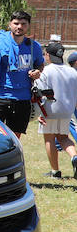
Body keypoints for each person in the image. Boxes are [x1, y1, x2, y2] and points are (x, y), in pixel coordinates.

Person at [0, 10, 48, 137]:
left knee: (15, 138)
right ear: (10, 24)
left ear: (28, 25)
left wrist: (38, 71)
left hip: (23, 98)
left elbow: (40, 64)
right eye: (16, 23)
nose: (19, 27)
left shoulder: (34, 46)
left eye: (23, 24)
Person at [36, 42, 77, 178]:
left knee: (49, 139)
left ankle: (55, 171)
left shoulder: (46, 71)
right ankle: (74, 157)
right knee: (64, 138)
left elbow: (40, 92)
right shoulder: (72, 71)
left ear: (48, 55)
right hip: (67, 110)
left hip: (50, 109)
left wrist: (38, 112)